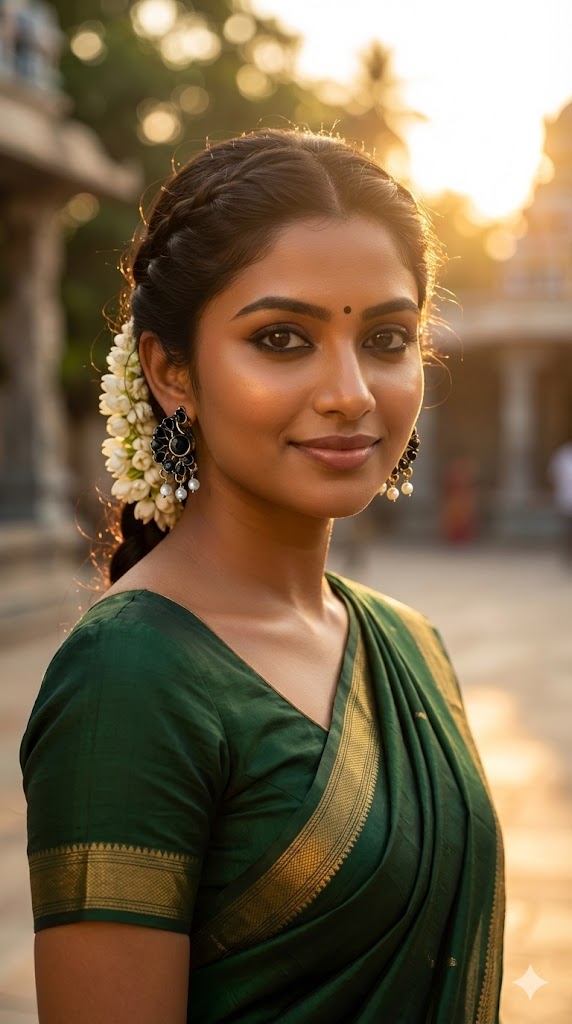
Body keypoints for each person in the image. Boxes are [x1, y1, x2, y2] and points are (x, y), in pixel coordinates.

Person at [20, 129, 504, 1023]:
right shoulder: (129, 678)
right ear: (172, 374)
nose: (351, 391)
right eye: (284, 338)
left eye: (389, 338)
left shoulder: (409, 643)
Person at [548, 437, 572, 561]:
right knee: (568, 529)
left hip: (566, 497)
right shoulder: (563, 454)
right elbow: (554, 475)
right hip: (566, 499)